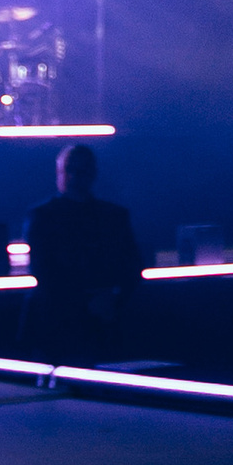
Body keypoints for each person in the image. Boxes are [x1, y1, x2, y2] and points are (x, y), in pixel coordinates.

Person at [24, 142, 143, 346]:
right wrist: (107, 299)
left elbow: (132, 266)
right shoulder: (112, 216)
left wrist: (109, 298)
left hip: (65, 322)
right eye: (70, 170)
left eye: (80, 170)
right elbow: (44, 271)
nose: (74, 176)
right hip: (67, 322)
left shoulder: (44, 216)